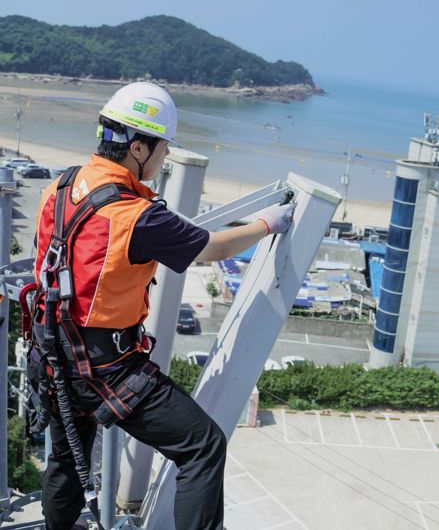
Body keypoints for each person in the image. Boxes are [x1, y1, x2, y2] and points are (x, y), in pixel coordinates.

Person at [30, 82, 295, 530]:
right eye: (162, 148)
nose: (165, 157)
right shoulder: (136, 215)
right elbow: (211, 248)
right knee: (202, 445)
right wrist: (267, 223)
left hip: (52, 351)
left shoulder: (62, 184)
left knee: (67, 458)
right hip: (106, 366)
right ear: (137, 147)